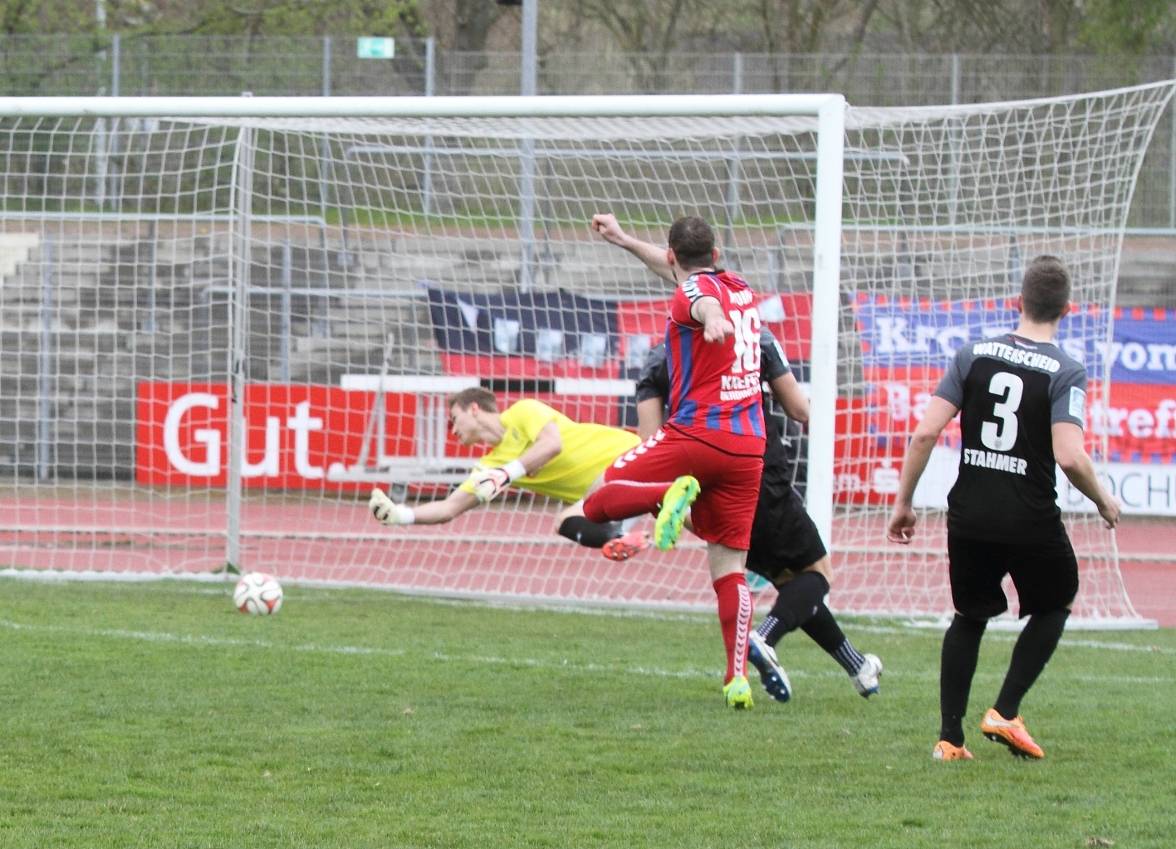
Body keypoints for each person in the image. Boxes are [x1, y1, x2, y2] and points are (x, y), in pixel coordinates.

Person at [885, 255, 1121, 762]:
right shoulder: (1066, 370)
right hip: (1029, 516)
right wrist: (1104, 501)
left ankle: (950, 740)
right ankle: (1006, 711)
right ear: (1068, 310)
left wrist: (904, 503)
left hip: (968, 513)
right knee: (1056, 602)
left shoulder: (973, 355)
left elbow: (926, 431)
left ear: (1017, 302)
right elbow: (1070, 454)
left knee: (968, 617)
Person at [635, 329, 882, 704]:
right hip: (756, 470)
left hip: (706, 485)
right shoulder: (754, 337)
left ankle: (857, 666)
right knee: (816, 575)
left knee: (790, 581)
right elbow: (800, 410)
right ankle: (764, 637)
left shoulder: (658, 357)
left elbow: (650, 446)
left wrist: (684, 511)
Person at [582, 212, 765, 710]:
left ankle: (666, 495)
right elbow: (691, 285)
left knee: (598, 500)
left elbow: (697, 300)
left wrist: (712, 320)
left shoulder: (697, 296)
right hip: (748, 447)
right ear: (717, 253)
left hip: (697, 433)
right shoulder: (741, 288)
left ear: (671, 255)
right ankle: (736, 679)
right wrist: (622, 241)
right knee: (730, 567)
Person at [368, 386, 649, 558]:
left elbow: (552, 444)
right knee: (686, 514)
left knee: (568, 518)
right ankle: (625, 535)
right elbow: (449, 508)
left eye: (454, 419)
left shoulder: (522, 411)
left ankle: (620, 534)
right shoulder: (489, 466)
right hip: (609, 488)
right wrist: (400, 515)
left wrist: (507, 473)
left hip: (628, 454)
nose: (453, 431)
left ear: (474, 408)